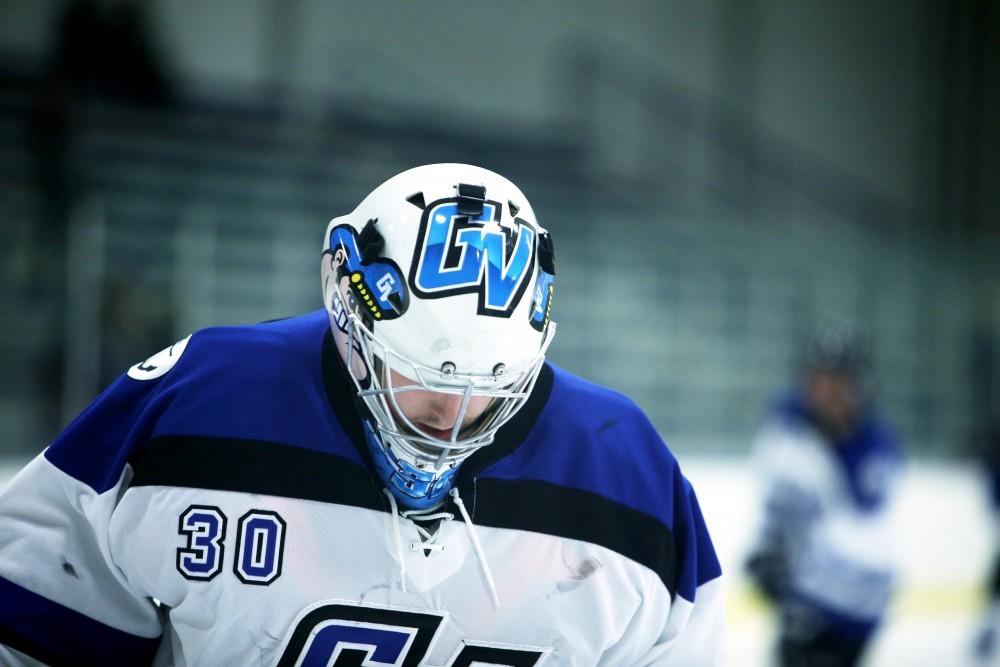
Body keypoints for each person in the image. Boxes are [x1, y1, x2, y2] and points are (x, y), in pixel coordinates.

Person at [0, 163, 725, 666]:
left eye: (492, 383)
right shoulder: (197, 406)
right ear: (351, 319)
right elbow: (37, 626)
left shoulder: (627, 475)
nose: (452, 414)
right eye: (423, 372)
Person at [745, 322, 904, 667]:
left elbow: (864, 525)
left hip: (850, 608)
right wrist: (767, 549)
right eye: (816, 379)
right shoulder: (786, 428)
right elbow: (780, 504)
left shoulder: (874, 447)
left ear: (859, 386)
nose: (823, 392)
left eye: (837, 382)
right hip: (803, 597)